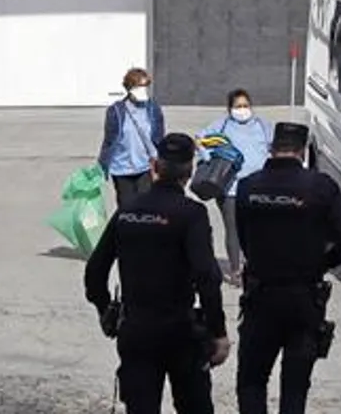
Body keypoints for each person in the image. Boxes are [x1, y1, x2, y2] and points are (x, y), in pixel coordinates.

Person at [85, 132, 232, 414]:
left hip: (136, 329)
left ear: (155, 166)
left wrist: (108, 311)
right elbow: (207, 276)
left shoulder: (127, 212)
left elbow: (95, 272)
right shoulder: (191, 213)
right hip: (180, 331)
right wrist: (218, 332)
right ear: (189, 172)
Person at [232, 121, 341, 414]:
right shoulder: (321, 187)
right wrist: (322, 263)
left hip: (261, 296)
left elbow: (243, 238)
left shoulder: (248, 187)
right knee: (295, 386)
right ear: (303, 151)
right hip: (304, 298)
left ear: (272, 148)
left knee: (252, 380)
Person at [196, 88, 273, 284]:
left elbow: (274, 147)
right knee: (233, 229)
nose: (242, 109)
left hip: (258, 186)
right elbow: (200, 140)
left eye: (246, 105)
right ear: (230, 108)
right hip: (230, 187)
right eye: (238, 106)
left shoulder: (262, 125)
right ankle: (236, 269)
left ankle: (255, 266)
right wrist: (208, 157)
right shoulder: (221, 125)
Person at [100, 67, 166, 210]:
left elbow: (159, 137)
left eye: (145, 86)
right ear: (129, 88)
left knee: (146, 207)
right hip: (121, 168)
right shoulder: (116, 111)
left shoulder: (153, 109)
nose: (143, 90)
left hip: (145, 167)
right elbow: (110, 140)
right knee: (127, 208)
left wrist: (162, 161)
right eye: (139, 86)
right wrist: (102, 164)